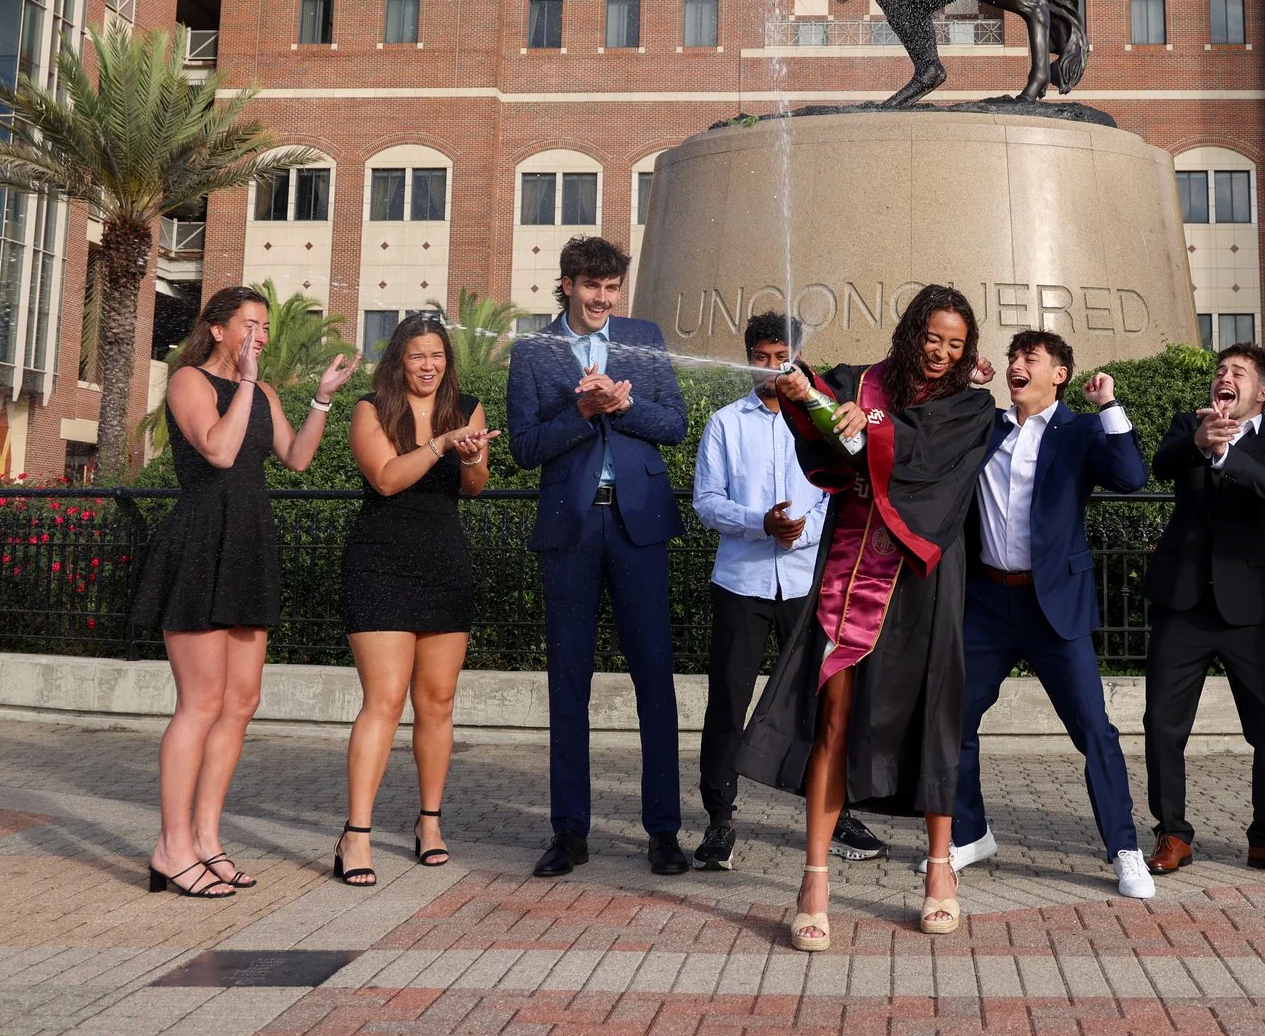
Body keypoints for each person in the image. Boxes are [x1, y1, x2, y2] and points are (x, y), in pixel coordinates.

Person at [740, 285, 997, 950]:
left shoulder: (970, 406)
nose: (942, 352)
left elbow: (925, 450)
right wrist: (807, 399)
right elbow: (824, 439)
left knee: (931, 715)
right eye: (933, 337)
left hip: (921, 577)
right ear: (912, 331)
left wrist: (872, 426)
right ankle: (814, 882)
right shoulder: (858, 382)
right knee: (833, 718)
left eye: (956, 343)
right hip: (848, 575)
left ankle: (941, 873)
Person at [132, 285, 353, 898]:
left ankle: (206, 839)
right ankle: (170, 846)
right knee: (199, 703)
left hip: (250, 543)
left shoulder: (265, 392)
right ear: (219, 329)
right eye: (250, 324)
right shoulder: (189, 382)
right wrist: (249, 383)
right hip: (202, 541)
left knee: (240, 701)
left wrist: (321, 401)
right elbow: (221, 451)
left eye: (263, 325)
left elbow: (297, 458)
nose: (260, 333)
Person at [506, 235, 691, 878]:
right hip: (571, 530)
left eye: (611, 289)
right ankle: (569, 832)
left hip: (639, 528)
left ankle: (664, 831)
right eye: (591, 288)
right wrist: (583, 411)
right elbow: (524, 448)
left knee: (654, 684)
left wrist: (626, 403)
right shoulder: (533, 351)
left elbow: (675, 424)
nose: (601, 300)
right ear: (567, 285)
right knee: (568, 684)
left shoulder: (643, 334)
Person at [946, 330, 1153, 898]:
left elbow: (1133, 478)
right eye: (1012, 358)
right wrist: (961, 384)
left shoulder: (1081, 431)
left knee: (1093, 729)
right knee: (953, 720)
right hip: (986, 602)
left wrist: (1108, 406)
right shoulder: (983, 425)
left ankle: (1124, 848)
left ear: (1058, 374)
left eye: (1029, 359)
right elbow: (928, 435)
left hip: (1054, 604)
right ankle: (970, 833)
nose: (1017, 366)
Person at [689, 312, 886, 870]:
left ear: (799, 359)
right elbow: (707, 501)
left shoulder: (820, 419)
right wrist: (761, 523)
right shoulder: (726, 424)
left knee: (824, 703)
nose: (773, 368)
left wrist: (801, 533)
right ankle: (719, 821)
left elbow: (843, 493)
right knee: (728, 702)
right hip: (742, 585)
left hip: (806, 583)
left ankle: (834, 813)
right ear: (748, 357)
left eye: (783, 357)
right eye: (762, 356)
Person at [1139, 341, 1265, 881]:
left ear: (1261, 393)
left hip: (1251, 607)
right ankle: (1171, 833)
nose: (1225, 376)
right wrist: (1199, 441)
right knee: (1163, 725)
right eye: (1221, 370)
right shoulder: (1184, 427)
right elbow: (1160, 465)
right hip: (1182, 601)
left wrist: (1225, 453)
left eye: (1238, 372)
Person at [332, 314, 492, 886]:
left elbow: (474, 487)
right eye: (418, 356)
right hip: (380, 560)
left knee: (438, 700)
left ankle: (429, 823)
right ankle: (356, 835)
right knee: (384, 699)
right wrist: (441, 444)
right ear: (399, 359)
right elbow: (387, 478)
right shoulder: (370, 409)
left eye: (438, 357)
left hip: (443, 559)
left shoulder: (467, 406)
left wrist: (470, 456)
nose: (429, 366)